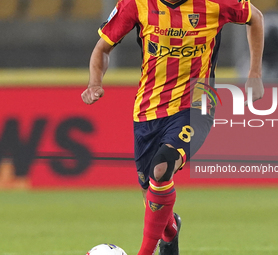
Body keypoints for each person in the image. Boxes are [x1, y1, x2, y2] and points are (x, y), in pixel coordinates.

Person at [81, 0, 264, 254]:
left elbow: (255, 17)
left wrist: (254, 72)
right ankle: (170, 231)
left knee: (162, 166)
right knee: (153, 199)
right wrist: (94, 82)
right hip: (148, 109)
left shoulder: (215, 3)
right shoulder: (136, 4)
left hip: (198, 102)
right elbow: (102, 48)